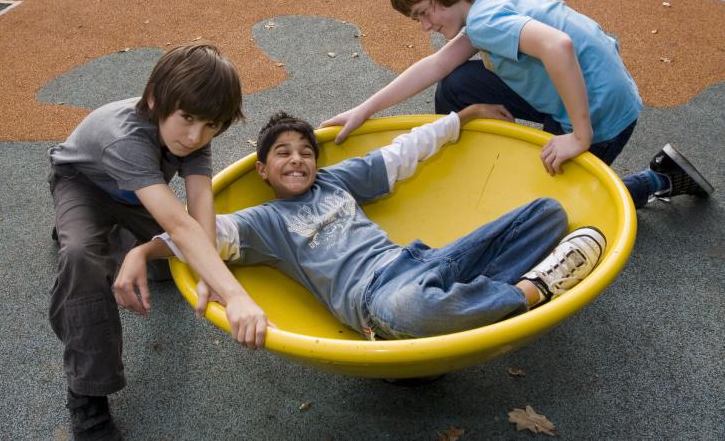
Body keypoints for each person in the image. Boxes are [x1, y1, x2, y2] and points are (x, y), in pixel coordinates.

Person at [145, 110, 606, 342]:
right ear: (263, 171)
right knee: (412, 311)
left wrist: (463, 117)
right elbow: (200, 235)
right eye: (282, 153)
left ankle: (476, 298)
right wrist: (143, 253)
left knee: (547, 213)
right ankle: (533, 290)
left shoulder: (336, 181)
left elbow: (402, 154)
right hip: (376, 300)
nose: (297, 159)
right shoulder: (266, 222)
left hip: (421, 260)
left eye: (306, 151)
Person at [321, 0, 714, 208]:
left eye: (424, 13)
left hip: (600, 115)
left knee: (549, 214)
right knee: (456, 84)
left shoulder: (485, 21)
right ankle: (478, 170)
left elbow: (558, 46)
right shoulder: (490, 1)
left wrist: (579, 136)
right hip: (583, 92)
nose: (424, 25)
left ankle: (659, 179)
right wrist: (364, 110)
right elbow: (436, 64)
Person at [47, 43, 268, 441]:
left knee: (174, 267)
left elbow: (201, 206)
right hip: (85, 185)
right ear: (155, 99)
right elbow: (181, 226)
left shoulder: (197, 128)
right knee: (82, 259)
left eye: (211, 126)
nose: (196, 136)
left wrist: (210, 273)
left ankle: (114, 238)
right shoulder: (125, 138)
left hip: (138, 196)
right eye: (187, 119)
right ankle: (87, 395)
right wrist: (234, 295)